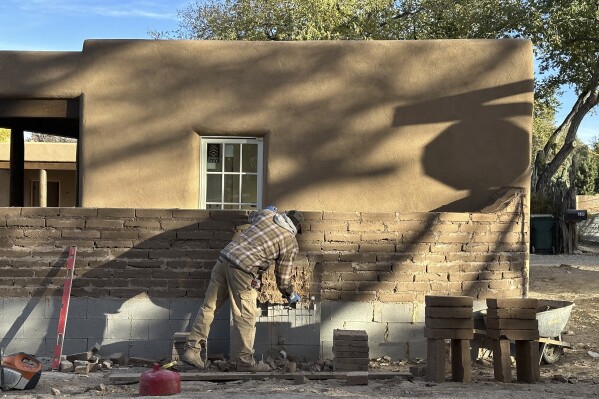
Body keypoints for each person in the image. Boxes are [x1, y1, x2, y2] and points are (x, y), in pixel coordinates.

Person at [182, 207, 304, 372]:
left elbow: (251, 215)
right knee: (245, 316)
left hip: (224, 259)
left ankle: (192, 350)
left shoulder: (267, 215)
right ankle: (244, 361)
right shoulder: (290, 241)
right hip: (244, 270)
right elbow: (283, 277)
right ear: (296, 227)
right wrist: (289, 293)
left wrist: (265, 210)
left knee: (209, 307)